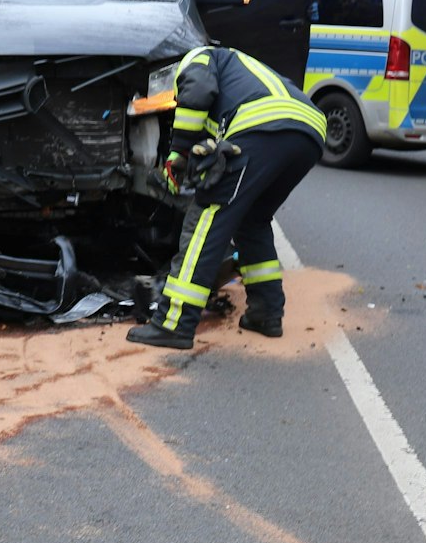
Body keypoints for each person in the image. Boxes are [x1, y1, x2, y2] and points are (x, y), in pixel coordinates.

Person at [127, 45, 326, 350]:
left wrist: (178, 152)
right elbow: (215, 139)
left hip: (263, 126)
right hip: (308, 133)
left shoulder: (196, 57)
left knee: (207, 218)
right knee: (252, 220)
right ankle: (266, 313)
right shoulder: (237, 71)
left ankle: (174, 323)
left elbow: (197, 92)